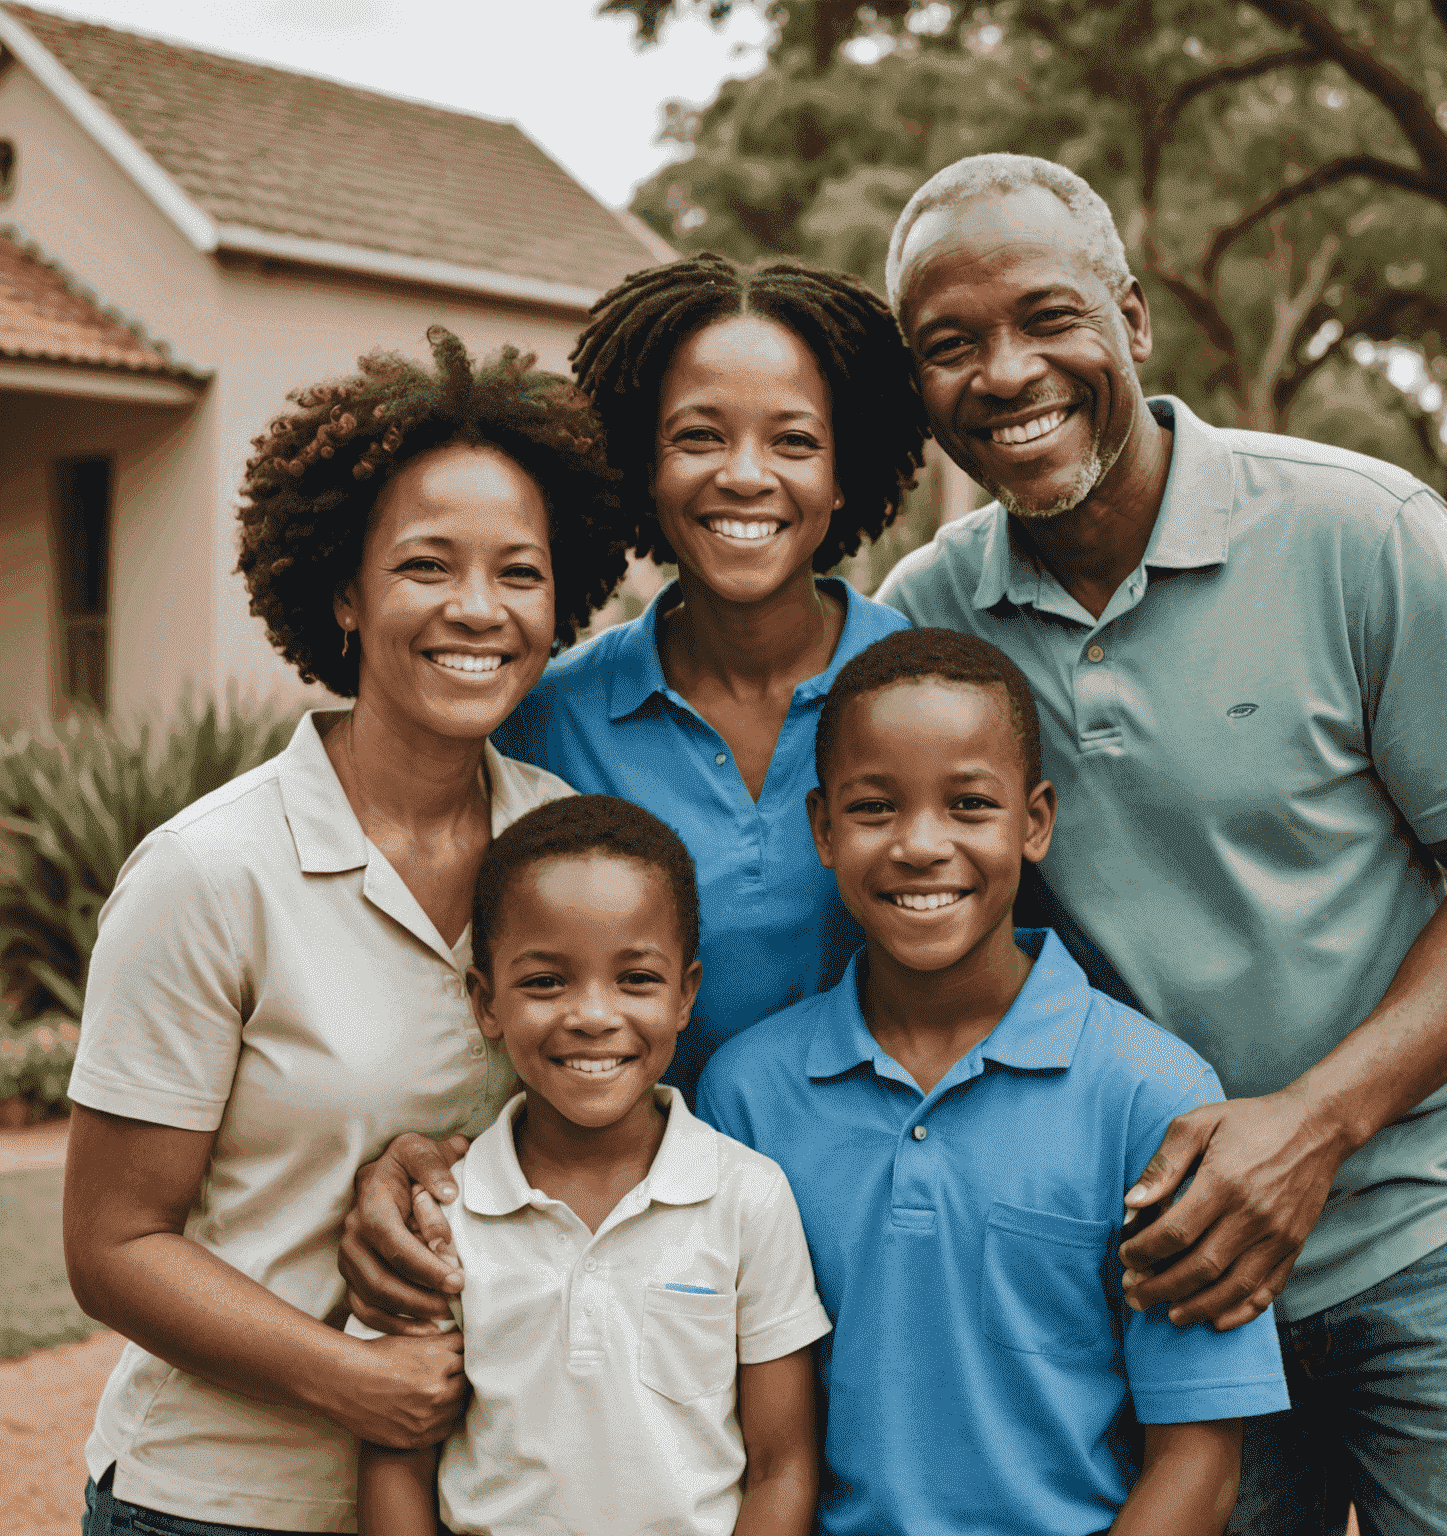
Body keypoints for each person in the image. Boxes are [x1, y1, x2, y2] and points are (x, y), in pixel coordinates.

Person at [874, 153, 1447, 1533]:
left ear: (1133, 321)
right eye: (950, 346)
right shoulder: (931, 619)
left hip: (1442, 1240)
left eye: (1047, 318)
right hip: (1171, 1289)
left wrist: (1313, 1126)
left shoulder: (1363, 533)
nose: (1004, 374)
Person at [63, 329, 630, 1535]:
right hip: (216, 1503)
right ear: (343, 590)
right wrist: (353, 1380)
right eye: (427, 565)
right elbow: (111, 1246)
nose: (477, 610)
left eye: (519, 573)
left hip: (474, 1498)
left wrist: (438, 1159)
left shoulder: (571, 852)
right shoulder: (210, 873)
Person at [336, 254, 929, 1332]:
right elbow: (467, 981)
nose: (745, 475)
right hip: (628, 1270)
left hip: (888, 1240)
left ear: (847, 475)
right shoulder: (543, 716)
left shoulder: (931, 698)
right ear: (640, 467)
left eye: (793, 440)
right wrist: (420, 1155)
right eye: (698, 436)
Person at [696, 628, 1289, 1536]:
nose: (921, 845)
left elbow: (1198, 1466)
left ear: (1036, 821)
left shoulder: (1152, 1094)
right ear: (821, 829)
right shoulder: (745, 1094)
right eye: (874, 808)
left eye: (969, 804)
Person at [354, 795, 829, 1536]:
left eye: (635, 979)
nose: (593, 1015)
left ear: (685, 995)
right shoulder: (444, 1213)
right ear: (486, 1002)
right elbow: (394, 1461)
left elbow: (782, 1465)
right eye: (546, 982)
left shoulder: (747, 1198)